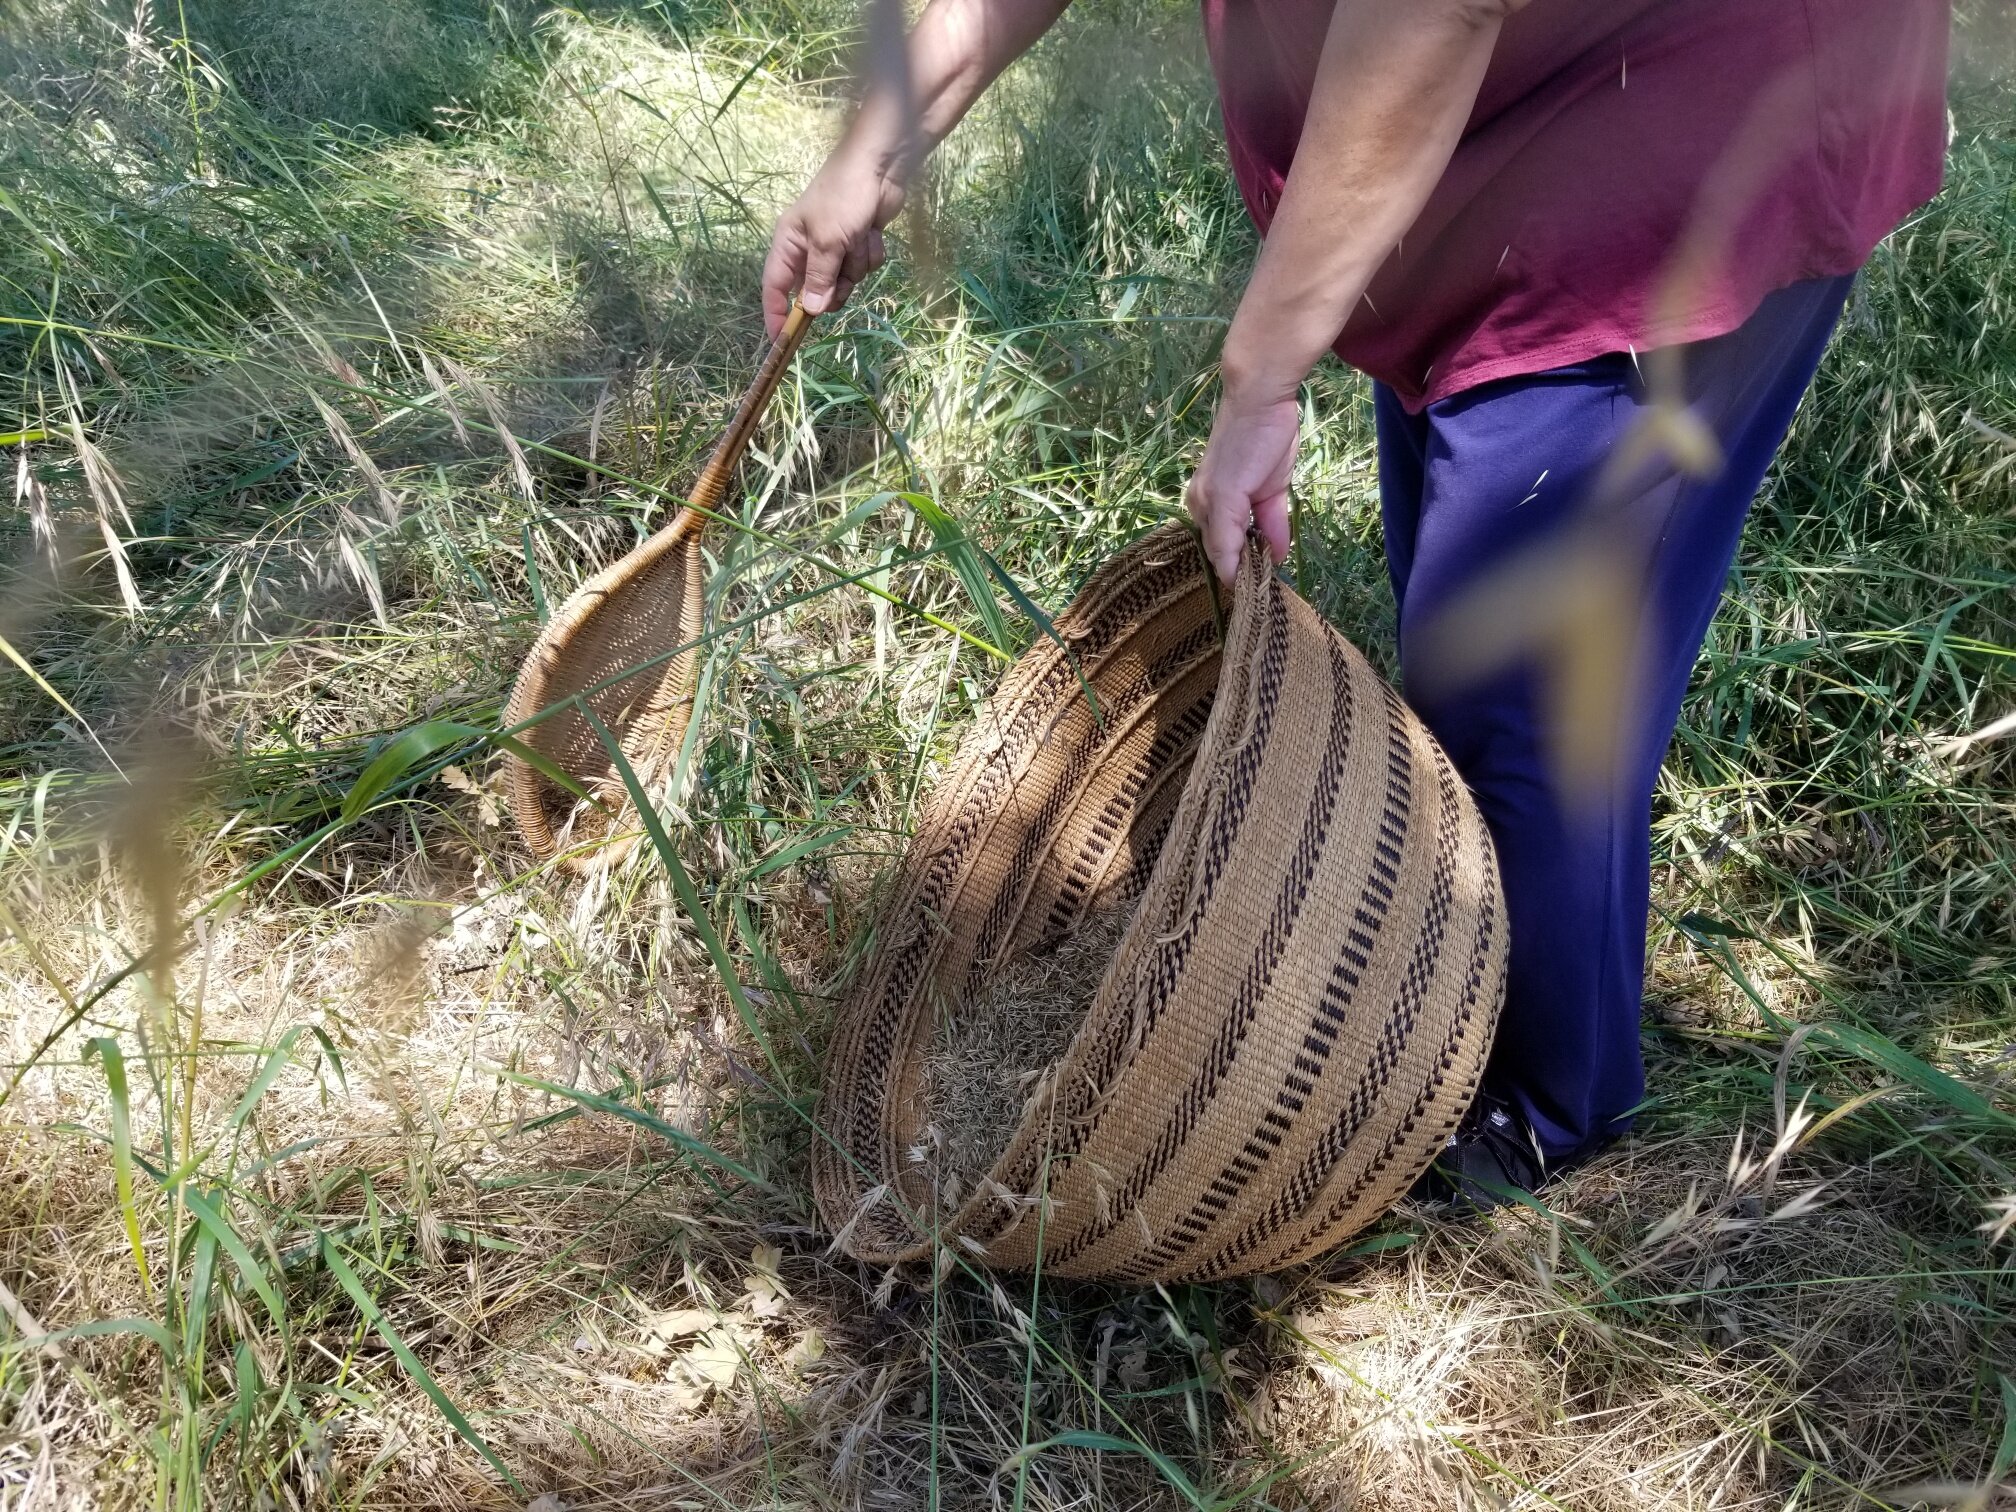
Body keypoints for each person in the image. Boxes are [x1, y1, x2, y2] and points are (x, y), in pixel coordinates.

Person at [762, 0, 1951, 1200]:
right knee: (1462, 614)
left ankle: (1543, 1105)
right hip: (1484, 143)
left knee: (1516, 692)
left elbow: (1437, 13)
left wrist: (1261, 380)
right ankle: (1459, 996)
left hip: (1669, 135)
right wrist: (875, 145)